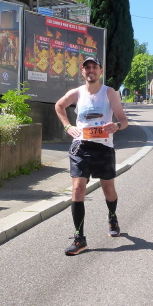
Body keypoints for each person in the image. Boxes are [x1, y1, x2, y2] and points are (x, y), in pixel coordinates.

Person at [55, 57, 129, 256]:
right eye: (87, 68)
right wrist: (67, 126)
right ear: (83, 71)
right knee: (77, 188)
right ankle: (79, 238)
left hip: (104, 147)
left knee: (108, 190)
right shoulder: (77, 93)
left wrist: (117, 126)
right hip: (81, 147)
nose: (91, 71)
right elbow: (59, 106)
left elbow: (123, 120)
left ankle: (112, 216)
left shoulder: (109, 93)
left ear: (100, 71)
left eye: (94, 67)